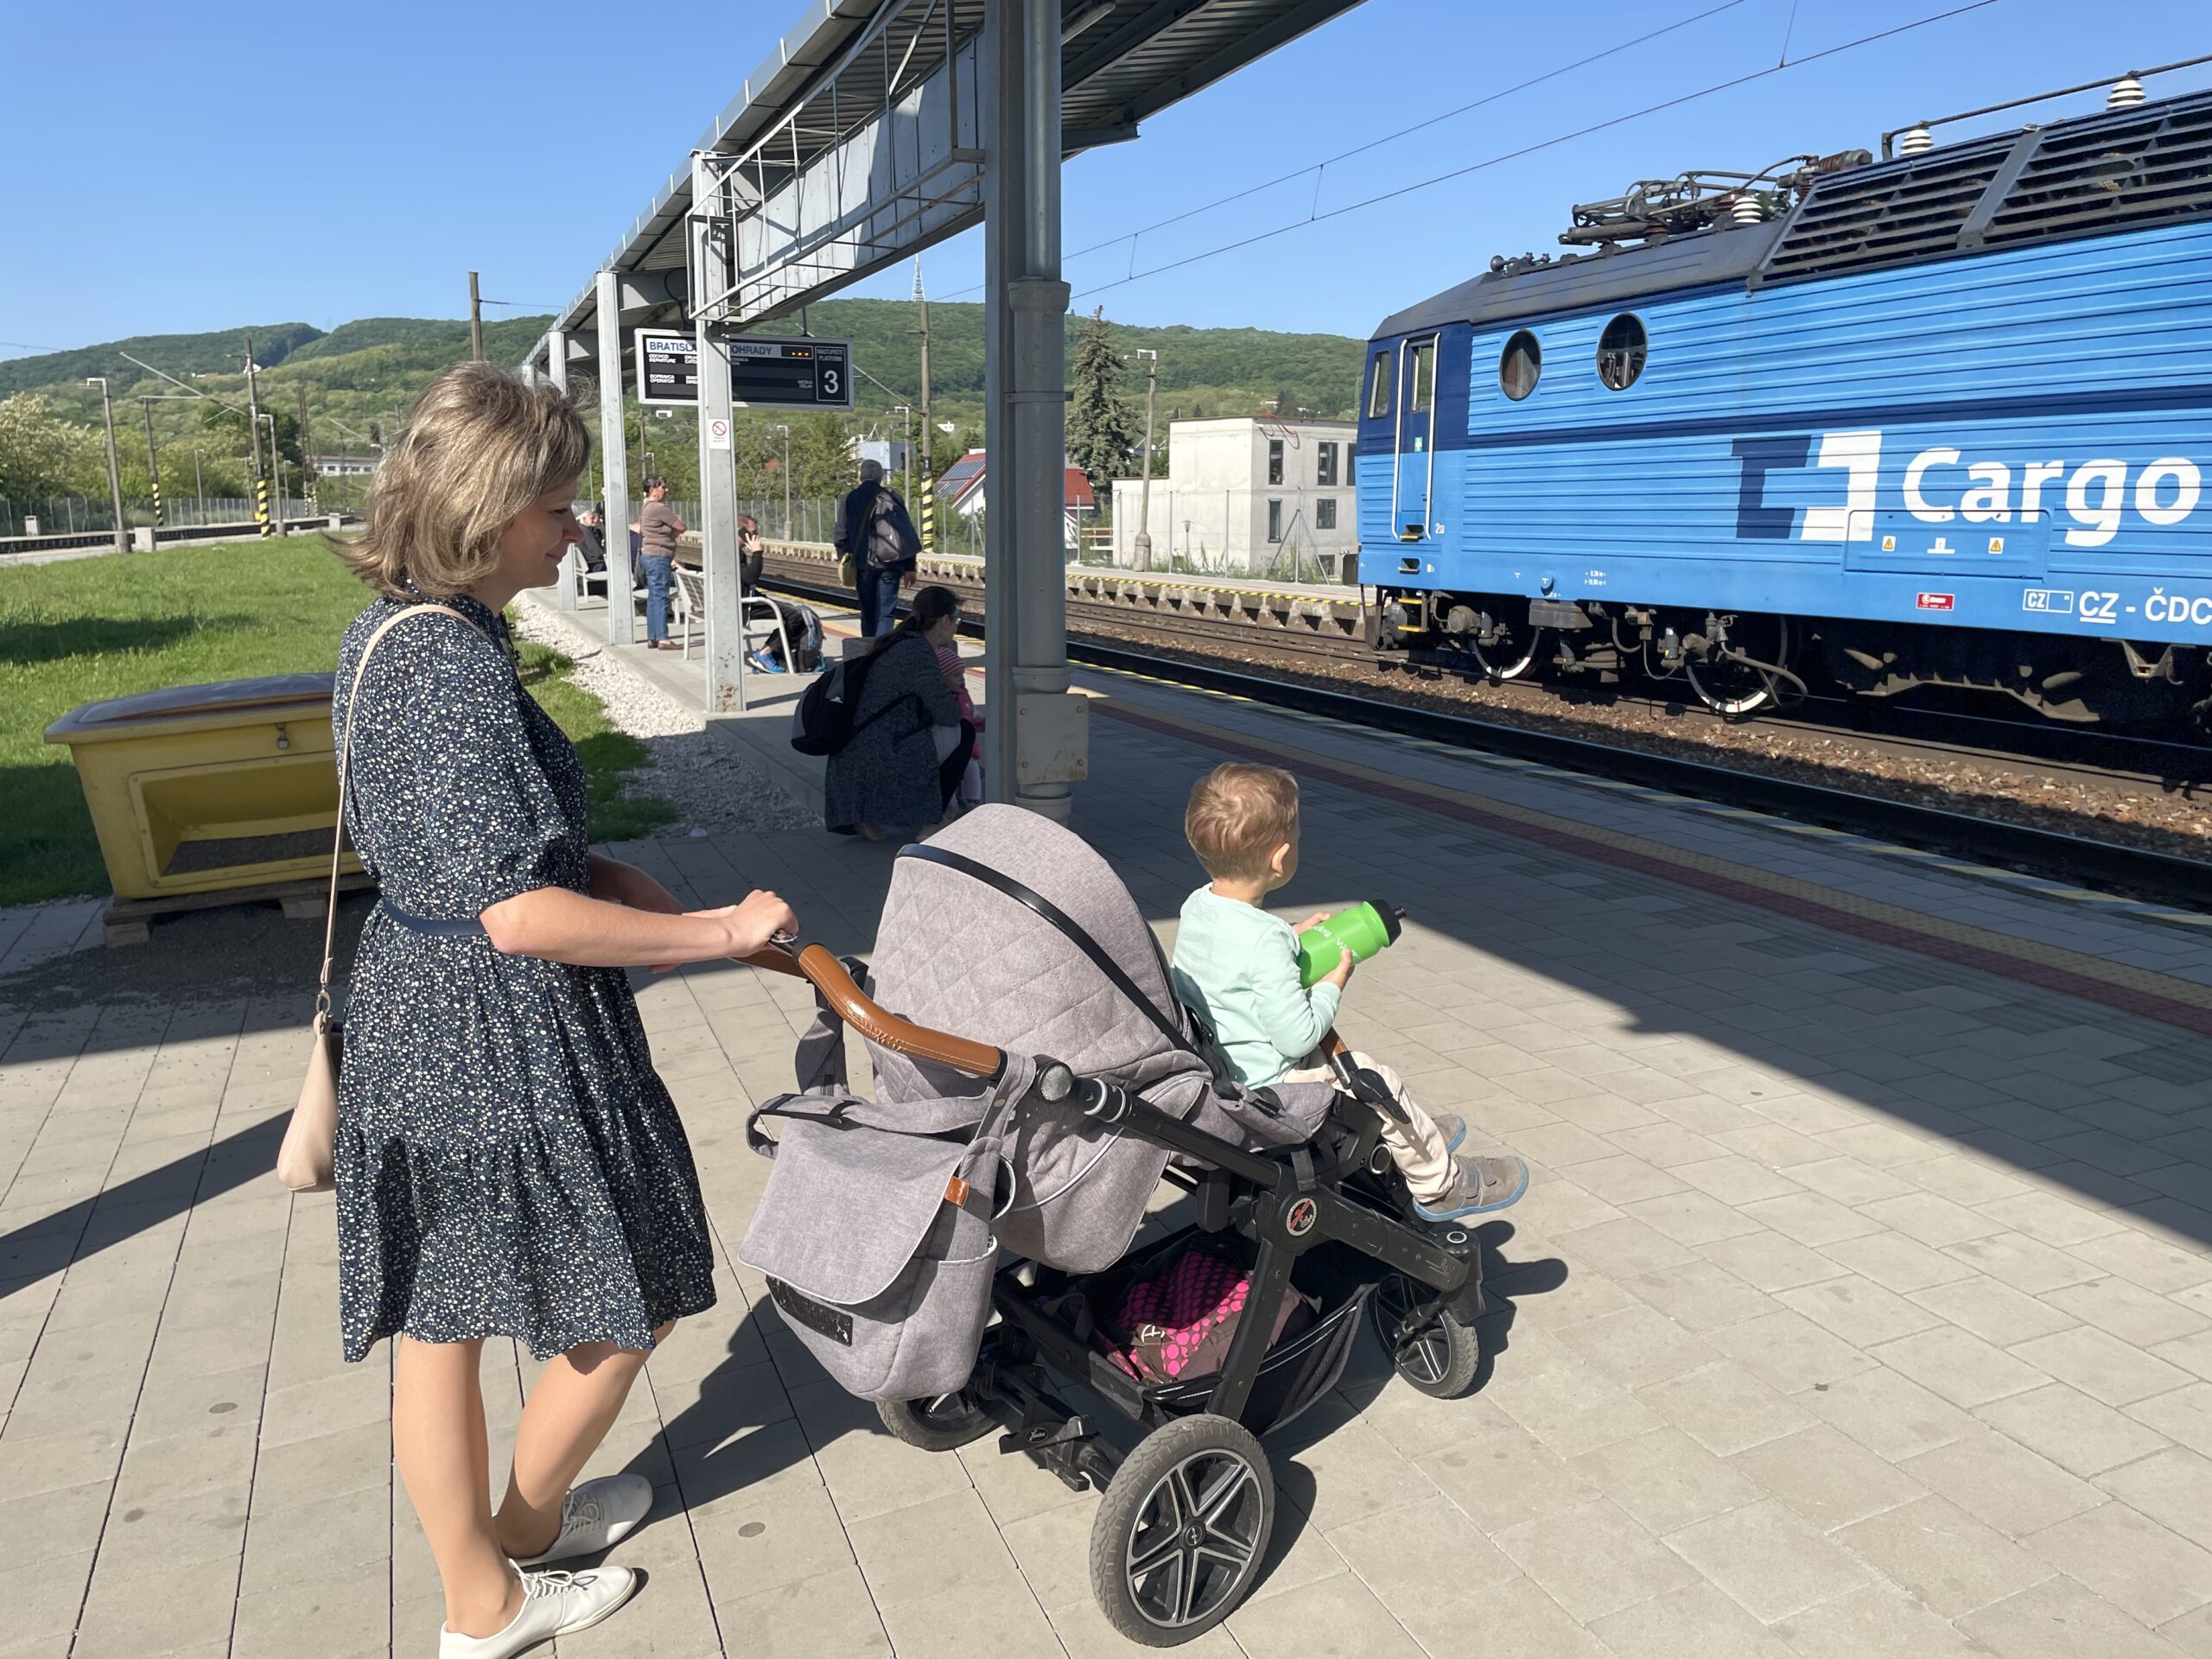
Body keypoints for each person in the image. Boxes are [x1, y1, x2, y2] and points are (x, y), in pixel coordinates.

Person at [329, 362, 798, 1659]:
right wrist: (712, 932)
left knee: (446, 1315)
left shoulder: (407, 635)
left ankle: (502, 1563)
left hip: (422, 1010)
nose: (578, 527)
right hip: (498, 1031)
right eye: (559, 506)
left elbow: (488, 862)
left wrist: (612, 880)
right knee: (628, 1283)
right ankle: (502, 1572)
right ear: (487, 511)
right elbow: (514, 914)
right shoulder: (454, 670)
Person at [1168, 762, 1529, 1223]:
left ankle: (1412, 1132)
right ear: (1280, 860)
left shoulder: (1197, 905)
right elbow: (1296, 1037)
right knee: (1377, 1080)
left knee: (1365, 1080)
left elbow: (1227, 964)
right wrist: (1331, 987)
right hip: (1268, 1085)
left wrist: (1290, 937)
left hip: (1227, 1064)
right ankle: (1440, 1183)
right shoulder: (1265, 939)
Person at [823, 584, 972, 840]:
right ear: (945, 621)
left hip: (858, 750)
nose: (957, 625)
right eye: (956, 619)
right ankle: (931, 822)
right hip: (880, 754)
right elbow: (948, 715)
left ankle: (868, 818)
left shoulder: (899, 642)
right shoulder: (919, 653)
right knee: (964, 732)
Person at [833, 459, 920, 637]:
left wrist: (844, 558)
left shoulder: (850, 498)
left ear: (860, 477)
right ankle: (883, 654)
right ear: (881, 478)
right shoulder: (893, 496)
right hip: (891, 564)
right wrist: (910, 567)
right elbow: (905, 534)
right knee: (886, 613)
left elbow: (841, 534)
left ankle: (869, 653)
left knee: (868, 613)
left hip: (863, 565)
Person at [629, 477, 684, 650]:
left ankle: (652, 636)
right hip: (659, 556)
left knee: (653, 597)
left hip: (649, 556)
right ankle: (663, 638)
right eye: (663, 487)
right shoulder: (659, 508)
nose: (665, 490)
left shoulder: (646, 507)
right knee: (661, 597)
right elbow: (681, 526)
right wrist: (672, 534)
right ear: (653, 490)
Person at [738, 512, 766, 594]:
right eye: (754, 532)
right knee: (793, 608)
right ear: (742, 532)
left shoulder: (729, 550)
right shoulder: (736, 555)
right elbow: (750, 577)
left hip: (740, 599)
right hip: (744, 604)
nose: (756, 536)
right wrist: (757, 553)